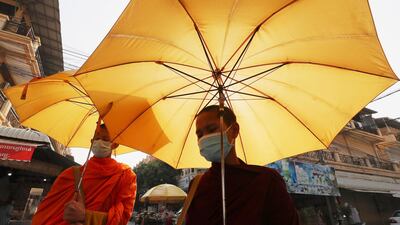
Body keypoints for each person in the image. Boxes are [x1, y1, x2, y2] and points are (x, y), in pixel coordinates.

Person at [185, 105, 299, 225]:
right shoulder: (197, 185)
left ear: (234, 130)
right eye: (199, 135)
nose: (204, 138)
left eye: (212, 129)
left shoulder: (266, 180)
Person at [31, 124, 137, 225]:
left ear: (115, 144)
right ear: (91, 142)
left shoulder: (125, 176)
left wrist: (85, 216)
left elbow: (122, 217)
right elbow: (46, 213)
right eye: (96, 138)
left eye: (105, 139)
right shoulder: (70, 174)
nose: (99, 142)